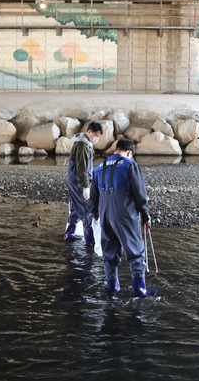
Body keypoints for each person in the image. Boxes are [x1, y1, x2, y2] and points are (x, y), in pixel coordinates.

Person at [90, 139, 156, 297]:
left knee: (109, 252)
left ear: (115, 151)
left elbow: (93, 197)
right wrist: (145, 214)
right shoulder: (130, 165)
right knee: (135, 252)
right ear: (129, 153)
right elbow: (140, 194)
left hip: (104, 212)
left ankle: (113, 288)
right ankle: (140, 291)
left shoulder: (98, 168)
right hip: (124, 212)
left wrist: (96, 215)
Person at [64, 121, 103, 246]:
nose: (97, 138)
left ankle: (69, 235)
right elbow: (82, 169)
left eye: (99, 136)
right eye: (96, 135)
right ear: (89, 132)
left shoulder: (84, 143)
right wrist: (86, 186)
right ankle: (91, 242)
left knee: (75, 207)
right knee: (87, 210)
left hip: (74, 180)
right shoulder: (82, 146)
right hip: (78, 182)